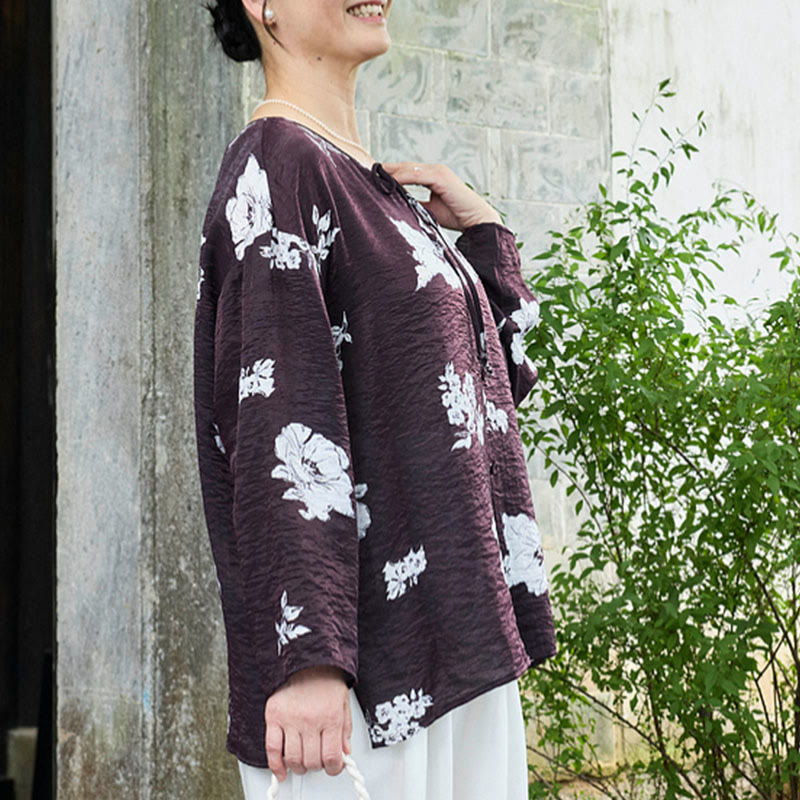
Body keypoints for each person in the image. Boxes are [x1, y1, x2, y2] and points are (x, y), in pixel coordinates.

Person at [194, 1, 558, 797]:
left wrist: (486, 236)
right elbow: (275, 417)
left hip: (459, 640)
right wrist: (307, 659)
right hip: (359, 678)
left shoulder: (380, 189)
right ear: (264, 6)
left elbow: (485, 390)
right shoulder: (276, 163)